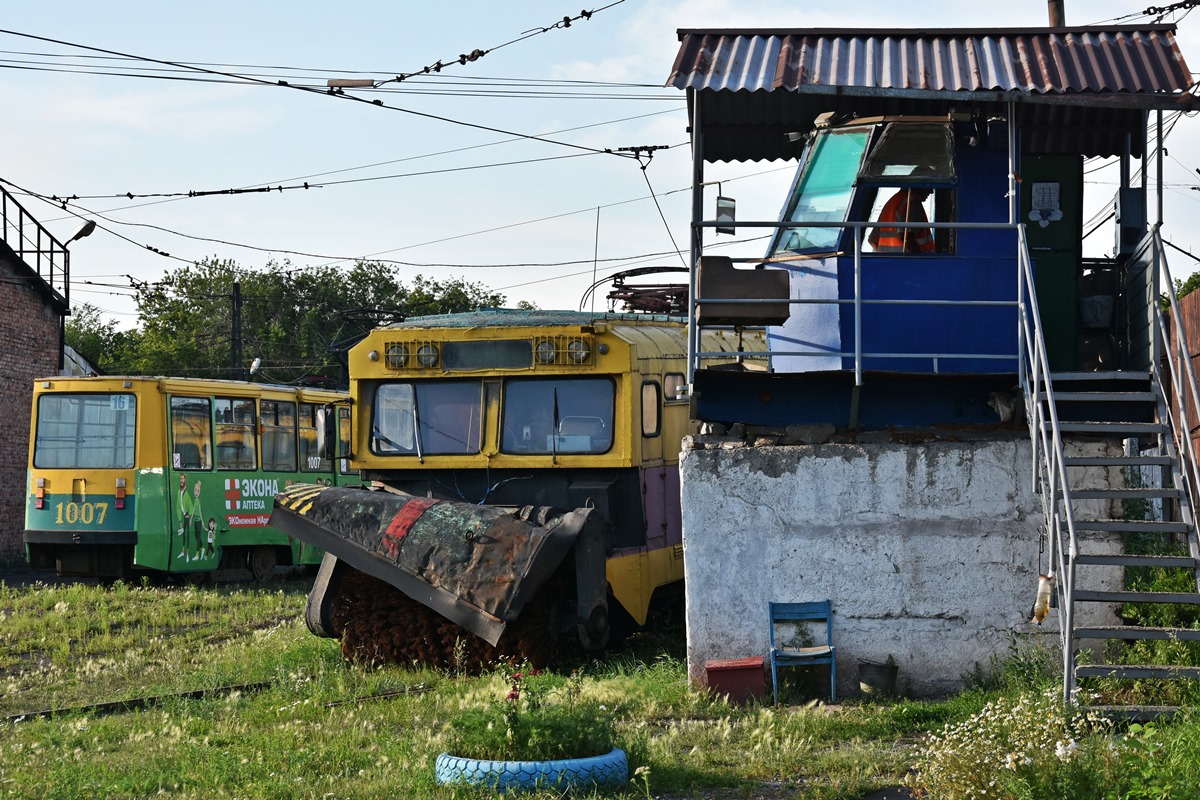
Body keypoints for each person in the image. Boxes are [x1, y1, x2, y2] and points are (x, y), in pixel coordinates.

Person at [868, 185, 935, 254]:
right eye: (928, 186)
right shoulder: (912, 204)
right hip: (907, 263)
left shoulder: (891, 203)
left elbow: (872, 240)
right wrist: (920, 260)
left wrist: (884, 258)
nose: (931, 191)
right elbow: (906, 237)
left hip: (887, 263)